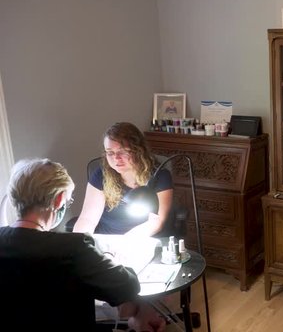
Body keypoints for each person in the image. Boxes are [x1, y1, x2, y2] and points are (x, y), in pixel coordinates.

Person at [0, 158, 165, 331]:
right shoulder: (73, 248)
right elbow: (127, 286)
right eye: (68, 201)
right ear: (58, 201)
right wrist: (108, 258)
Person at [73, 122, 173, 236]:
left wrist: (125, 243)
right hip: (106, 240)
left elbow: (156, 222)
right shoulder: (101, 175)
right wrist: (78, 243)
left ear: (138, 150)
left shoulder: (159, 176)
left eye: (123, 151)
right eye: (110, 152)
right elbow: (87, 219)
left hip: (142, 240)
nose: (116, 158)